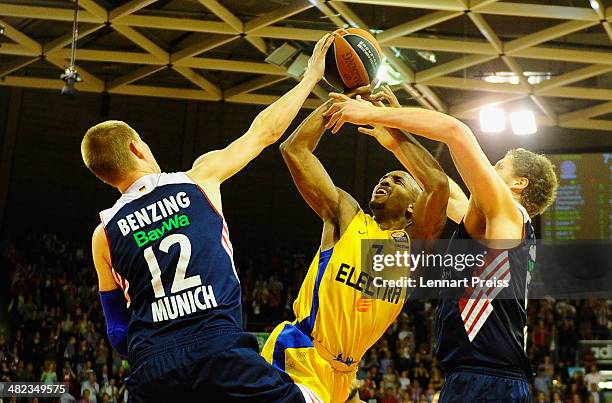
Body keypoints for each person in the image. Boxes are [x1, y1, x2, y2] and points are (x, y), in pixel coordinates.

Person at [81, 33, 335, 402]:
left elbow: (118, 332)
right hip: (219, 348)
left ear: (102, 174)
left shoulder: (103, 234)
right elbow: (264, 133)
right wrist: (311, 76)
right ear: (137, 148)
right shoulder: (198, 179)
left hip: (152, 371)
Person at [324, 92, 558, 402]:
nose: (488, 167)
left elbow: (456, 132)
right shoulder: (493, 222)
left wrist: (371, 113)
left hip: (487, 377)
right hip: (477, 375)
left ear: (519, 184)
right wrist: (398, 139)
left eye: (499, 165)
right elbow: (443, 191)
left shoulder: (507, 214)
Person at [261, 87, 450, 402]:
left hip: (344, 375)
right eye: (382, 179)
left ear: (414, 209)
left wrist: (392, 121)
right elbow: (295, 150)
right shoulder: (348, 218)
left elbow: (438, 183)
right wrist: (338, 100)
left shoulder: (414, 247)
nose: (384, 181)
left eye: (397, 180)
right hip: (301, 353)